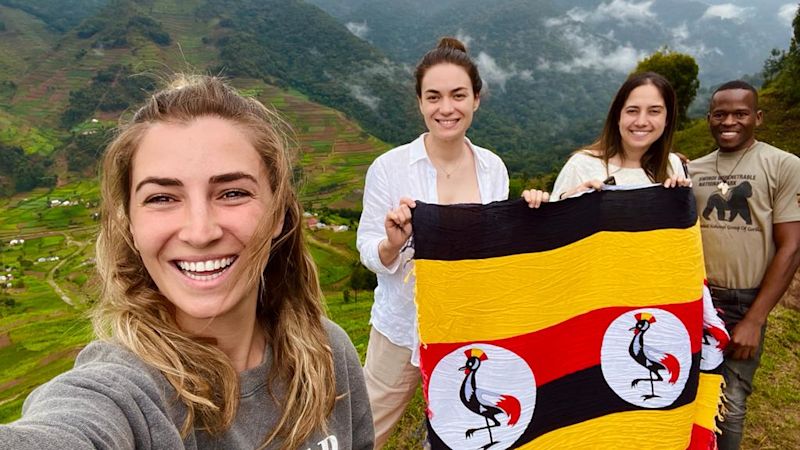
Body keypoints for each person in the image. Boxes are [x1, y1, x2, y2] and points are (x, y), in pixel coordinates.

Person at [0, 75, 373, 449]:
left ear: (278, 213)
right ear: (129, 223)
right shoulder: (125, 392)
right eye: (162, 198)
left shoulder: (326, 352)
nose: (200, 232)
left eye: (232, 193)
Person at [357, 37, 546, 448]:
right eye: (434, 97)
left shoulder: (493, 167)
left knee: (463, 431)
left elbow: (495, 248)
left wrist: (534, 214)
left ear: (476, 99)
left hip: (467, 327)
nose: (446, 108)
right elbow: (368, 249)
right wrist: (391, 244)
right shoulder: (389, 168)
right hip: (401, 328)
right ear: (420, 103)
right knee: (366, 429)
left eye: (458, 95)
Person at [689, 80, 800, 450]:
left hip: (743, 301)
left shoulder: (783, 165)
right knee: (690, 396)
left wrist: (754, 320)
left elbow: (792, 247)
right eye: (720, 114)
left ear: (758, 117)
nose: (729, 121)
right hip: (695, 299)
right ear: (708, 119)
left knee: (730, 401)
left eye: (740, 113)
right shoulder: (694, 170)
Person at [541, 72, 690, 202]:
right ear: (618, 116)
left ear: (667, 120)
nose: (641, 122)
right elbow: (553, 229)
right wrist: (570, 201)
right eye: (632, 111)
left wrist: (682, 198)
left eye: (654, 111)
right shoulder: (581, 165)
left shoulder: (672, 164)